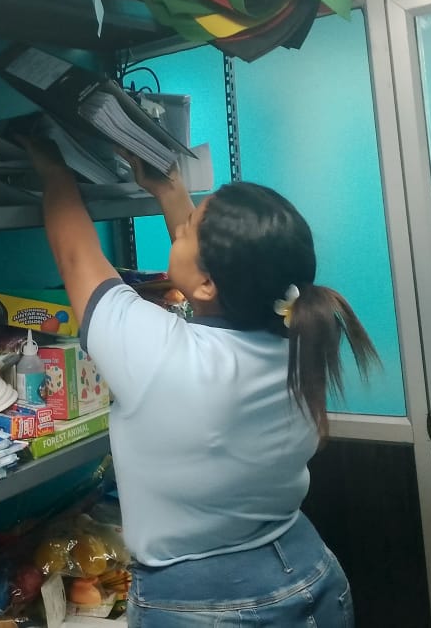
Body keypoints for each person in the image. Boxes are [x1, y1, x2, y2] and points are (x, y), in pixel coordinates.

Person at [22, 136, 381, 627]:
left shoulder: (161, 354)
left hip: (207, 605)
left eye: (187, 229)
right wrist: (170, 190)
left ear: (210, 282)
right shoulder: (300, 338)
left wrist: (52, 167)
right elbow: (213, 283)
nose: (181, 228)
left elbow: (75, 257)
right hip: (311, 574)